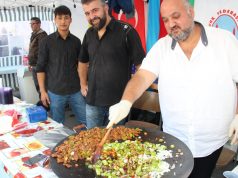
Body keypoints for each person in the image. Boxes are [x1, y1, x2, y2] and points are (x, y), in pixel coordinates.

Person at [107, 0, 238, 178]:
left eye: (176, 16)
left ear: (191, 12)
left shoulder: (224, 41)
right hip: (174, 137)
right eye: (165, 20)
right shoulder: (162, 47)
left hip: (212, 141)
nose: (171, 25)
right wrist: (126, 101)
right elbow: (142, 76)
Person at [79, 0, 145, 128]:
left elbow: (141, 67)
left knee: (115, 143)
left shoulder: (127, 31)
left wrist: (130, 97)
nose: (91, 17)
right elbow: (82, 61)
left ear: (106, 8)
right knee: (91, 142)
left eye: (95, 10)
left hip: (118, 104)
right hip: (92, 102)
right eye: (87, 13)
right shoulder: (89, 34)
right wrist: (82, 84)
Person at [36, 5, 86, 125]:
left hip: (76, 90)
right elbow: (40, 68)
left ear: (70, 20)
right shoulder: (46, 42)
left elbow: (81, 65)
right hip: (55, 91)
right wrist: (43, 91)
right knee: (57, 124)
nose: (63, 21)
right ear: (55, 19)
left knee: (86, 120)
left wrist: (84, 84)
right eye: (60, 18)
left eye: (66, 18)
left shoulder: (76, 41)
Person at [28, 17, 47, 109]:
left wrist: (39, 65)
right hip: (34, 65)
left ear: (39, 24)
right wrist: (30, 63)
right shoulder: (34, 34)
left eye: (33, 23)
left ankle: (46, 106)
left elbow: (42, 52)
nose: (32, 25)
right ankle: (43, 105)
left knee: (42, 87)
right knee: (38, 87)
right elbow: (32, 50)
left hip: (39, 66)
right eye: (31, 24)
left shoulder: (42, 35)